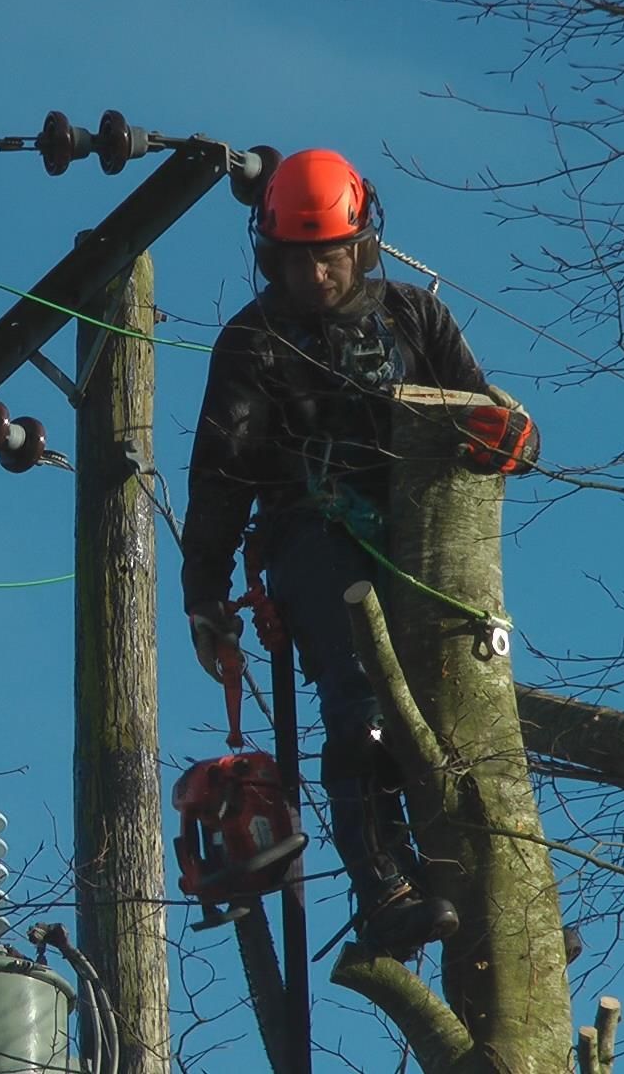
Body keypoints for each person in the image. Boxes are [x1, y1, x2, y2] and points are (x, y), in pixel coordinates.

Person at [180, 148, 538, 957]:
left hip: (428, 536)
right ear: (273, 254)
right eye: (299, 260)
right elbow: (221, 476)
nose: (316, 276)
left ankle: (495, 898)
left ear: (361, 243)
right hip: (313, 536)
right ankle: (388, 885)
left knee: (468, 702)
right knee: (363, 696)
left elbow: (484, 413)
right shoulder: (255, 341)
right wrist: (204, 594)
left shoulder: (416, 317)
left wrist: (514, 432)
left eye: (331, 255)